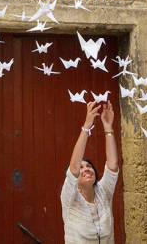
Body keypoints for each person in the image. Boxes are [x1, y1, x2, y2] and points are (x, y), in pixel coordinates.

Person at [60, 100, 119, 243]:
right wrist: (87, 126)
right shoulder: (70, 198)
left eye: (88, 166)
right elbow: (73, 168)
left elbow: (113, 165)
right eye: (81, 168)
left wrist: (107, 127)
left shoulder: (104, 191)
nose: (86, 169)